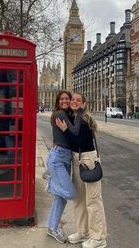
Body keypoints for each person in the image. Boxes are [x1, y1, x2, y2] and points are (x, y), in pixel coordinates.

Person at [56, 92, 107, 248]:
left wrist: (65, 130)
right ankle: (83, 232)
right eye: (73, 100)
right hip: (77, 158)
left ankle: (99, 238)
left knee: (93, 201)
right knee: (79, 200)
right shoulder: (75, 117)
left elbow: (78, 140)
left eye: (78, 100)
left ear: (84, 104)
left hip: (88, 160)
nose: (74, 102)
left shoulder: (83, 119)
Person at [46, 90, 83, 243]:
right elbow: (74, 132)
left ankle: (52, 227)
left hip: (65, 158)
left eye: (67, 98)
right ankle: (51, 183)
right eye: (62, 99)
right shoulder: (60, 114)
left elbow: (71, 136)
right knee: (70, 193)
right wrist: (80, 111)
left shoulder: (67, 115)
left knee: (61, 199)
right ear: (58, 101)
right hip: (58, 158)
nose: (65, 101)